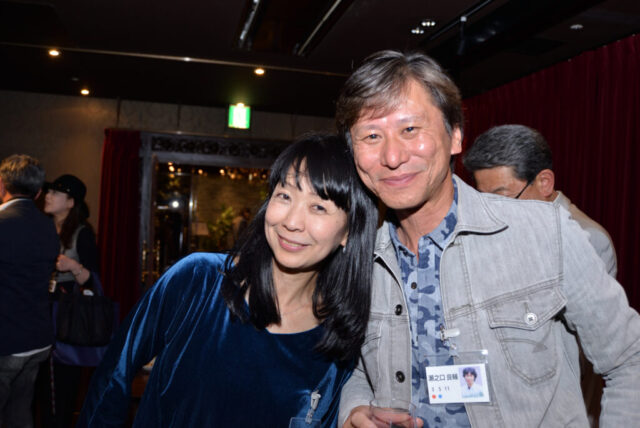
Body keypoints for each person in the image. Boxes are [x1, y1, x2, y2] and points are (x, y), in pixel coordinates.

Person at [335, 50, 640, 427]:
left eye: (410, 129)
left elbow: (629, 359)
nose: (392, 156)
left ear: (455, 135)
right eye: (371, 136)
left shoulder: (545, 231)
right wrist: (355, 408)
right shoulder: (358, 256)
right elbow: (362, 370)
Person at [77, 133, 378, 427]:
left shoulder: (338, 337)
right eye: (285, 196)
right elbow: (113, 376)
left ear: (349, 231)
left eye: (319, 207)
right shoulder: (198, 281)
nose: (291, 222)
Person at [462, 124, 617, 277]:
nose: (492, 213)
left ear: (544, 183)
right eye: (485, 199)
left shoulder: (587, 238)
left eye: (502, 198)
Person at [37, 174, 101, 428]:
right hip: (39, 312)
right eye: (48, 191)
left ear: (71, 202)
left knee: (62, 385)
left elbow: (94, 281)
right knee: (39, 383)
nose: (48, 196)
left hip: (66, 317)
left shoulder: (82, 233)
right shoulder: (41, 228)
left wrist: (73, 266)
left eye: (55, 193)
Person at [0, 154, 59, 427]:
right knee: (20, 412)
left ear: (2, 184)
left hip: (6, 340)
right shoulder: (48, 226)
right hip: (37, 339)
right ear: (37, 193)